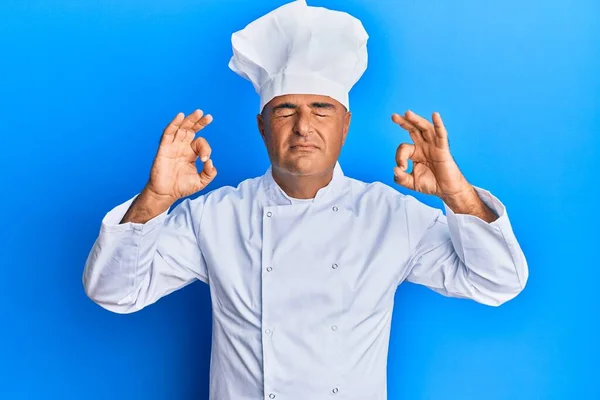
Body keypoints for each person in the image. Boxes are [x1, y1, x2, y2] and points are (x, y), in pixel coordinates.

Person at [82, 1, 529, 399]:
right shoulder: (213, 217)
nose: (303, 126)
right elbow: (114, 292)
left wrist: (457, 195)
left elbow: (498, 282)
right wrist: (157, 198)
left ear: (346, 124)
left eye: (321, 108)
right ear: (261, 126)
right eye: (285, 110)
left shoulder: (394, 216)